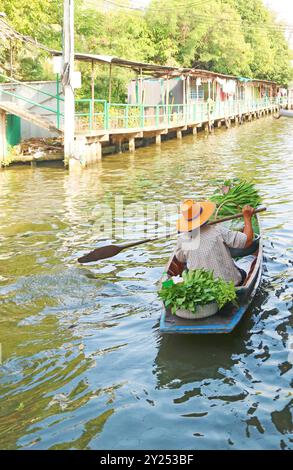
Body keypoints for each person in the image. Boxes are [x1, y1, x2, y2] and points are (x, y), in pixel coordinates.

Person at [174, 199, 255, 286]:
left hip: (201, 288)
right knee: (242, 273)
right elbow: (247, 241)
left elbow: (180, 259)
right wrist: (247, 218)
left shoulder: (182, 239)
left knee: (186, 268)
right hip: (230, 284)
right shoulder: (217, 230)